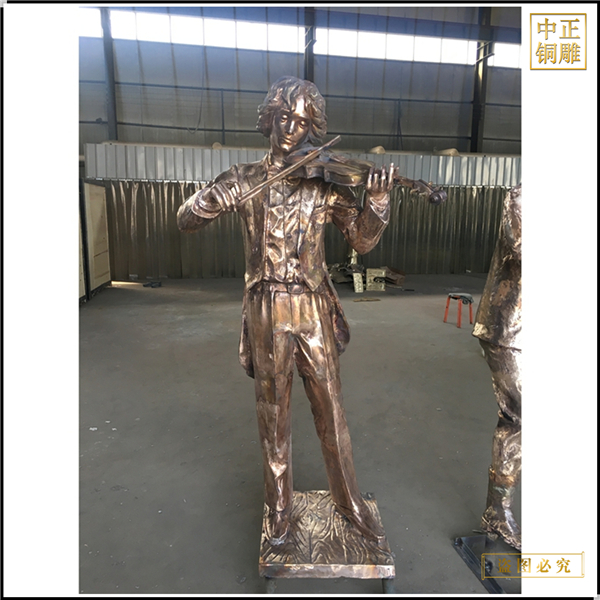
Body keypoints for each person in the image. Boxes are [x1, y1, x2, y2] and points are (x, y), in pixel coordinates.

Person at [177, 76, 394, 546]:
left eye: (300, 121)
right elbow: (185, 220)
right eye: (282, 116)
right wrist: (208, 200)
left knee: (330, 407)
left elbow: (361, 240)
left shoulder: (323, 182)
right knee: (272, 412)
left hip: (312, 304)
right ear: (268, 118)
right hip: (266, 308)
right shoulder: (243, 178)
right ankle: (279, 507)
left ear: (312, 128)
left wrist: (377, 204)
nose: (291, 128)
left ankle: (349, 501)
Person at [472, 184, 522, 551]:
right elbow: (522, 249)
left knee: (517, 421)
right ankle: (498, 512)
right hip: (509, 329)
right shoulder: (522, 197)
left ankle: (497, 511)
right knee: (520, 418)